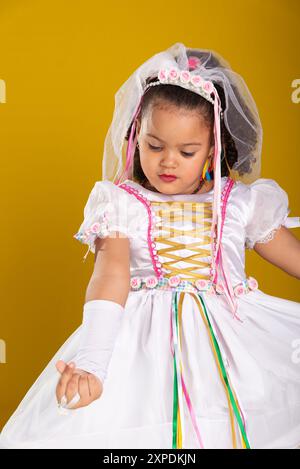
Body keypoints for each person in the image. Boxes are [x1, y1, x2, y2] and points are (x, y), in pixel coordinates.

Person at [1, 42, 300, 449]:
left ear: (213, 147)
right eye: (154, 146)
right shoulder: (122, 204)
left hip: (235, 351)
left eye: (187, 151)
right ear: (135, 135)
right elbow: (110, 276)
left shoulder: (240, 203)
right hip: (142, 355)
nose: (168, 161)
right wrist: (93, 362)